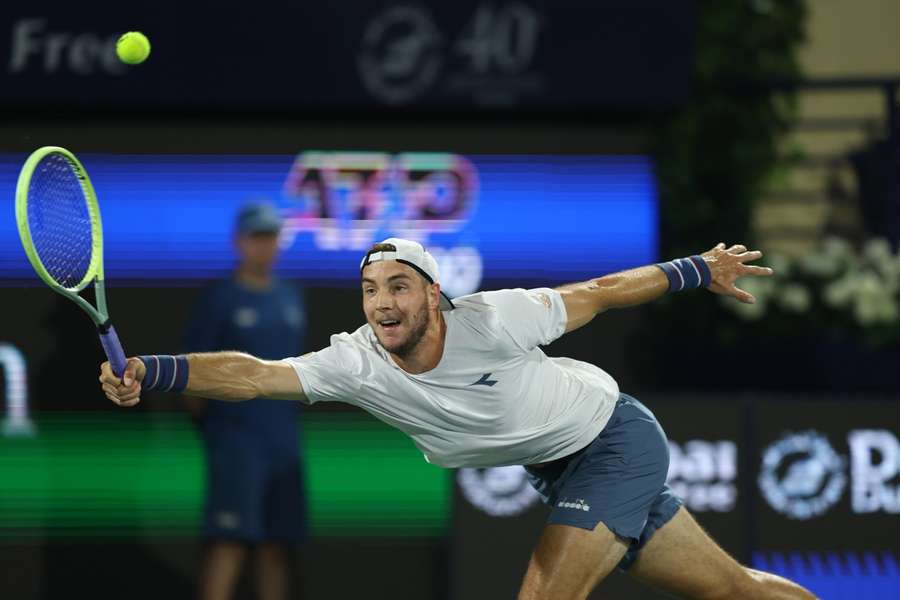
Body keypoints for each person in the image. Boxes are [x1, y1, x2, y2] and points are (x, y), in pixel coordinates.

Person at [100, 238, 816, 600]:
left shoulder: (492, 318)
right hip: (555, 466)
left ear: (435, 296)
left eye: (400, 287)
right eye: (370, 289)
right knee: (734, 591)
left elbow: (598, 292)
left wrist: (696, 267)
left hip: (614, 440)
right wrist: (153, 369)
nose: (382, 302)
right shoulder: (354, 362)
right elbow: (253, 376)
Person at [182, 203, 307, 600]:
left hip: (284, 443)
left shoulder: (291, 297)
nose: (264, 246)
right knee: (229, 541)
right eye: (257, 237)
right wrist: (219, 435)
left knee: (276, 547)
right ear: (239, 241)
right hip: (236, 443)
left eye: (271, 237)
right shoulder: (219, 299)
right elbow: (192, 375)